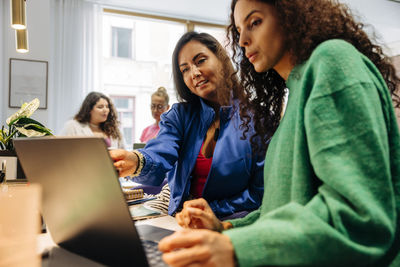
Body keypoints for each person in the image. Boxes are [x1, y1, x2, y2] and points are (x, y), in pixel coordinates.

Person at [157, 0, 400, 266]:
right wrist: (225, 229)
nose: (243, 41)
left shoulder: (332, 62)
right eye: (239, 32)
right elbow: (283, 209)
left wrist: (237, 248)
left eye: (255, 23)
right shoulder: (296, 93)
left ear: (293, 14)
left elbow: (359, 219)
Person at [110, 31, 265, 219]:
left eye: (200, 61)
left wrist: (211, 211)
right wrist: (135, 161)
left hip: (232, 225)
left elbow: (259, 192)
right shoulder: (179, 116)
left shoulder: (260, 120)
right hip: (180, 222)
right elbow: (160, 152)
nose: (194, 73)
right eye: (185, 69)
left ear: (222, 60)